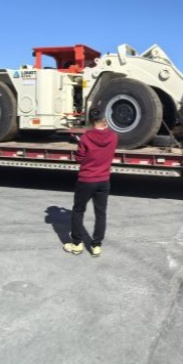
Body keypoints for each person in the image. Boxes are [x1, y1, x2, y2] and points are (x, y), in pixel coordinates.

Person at [64, 108, 118, 257]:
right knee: (100, 213)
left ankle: (77, 244)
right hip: (103, 180)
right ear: (105, 120)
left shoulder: (86, 137)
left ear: (90, 121)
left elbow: (79, 158)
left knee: (78, 211)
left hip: (86, 180)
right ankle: (96, 246)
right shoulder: (113, 137)